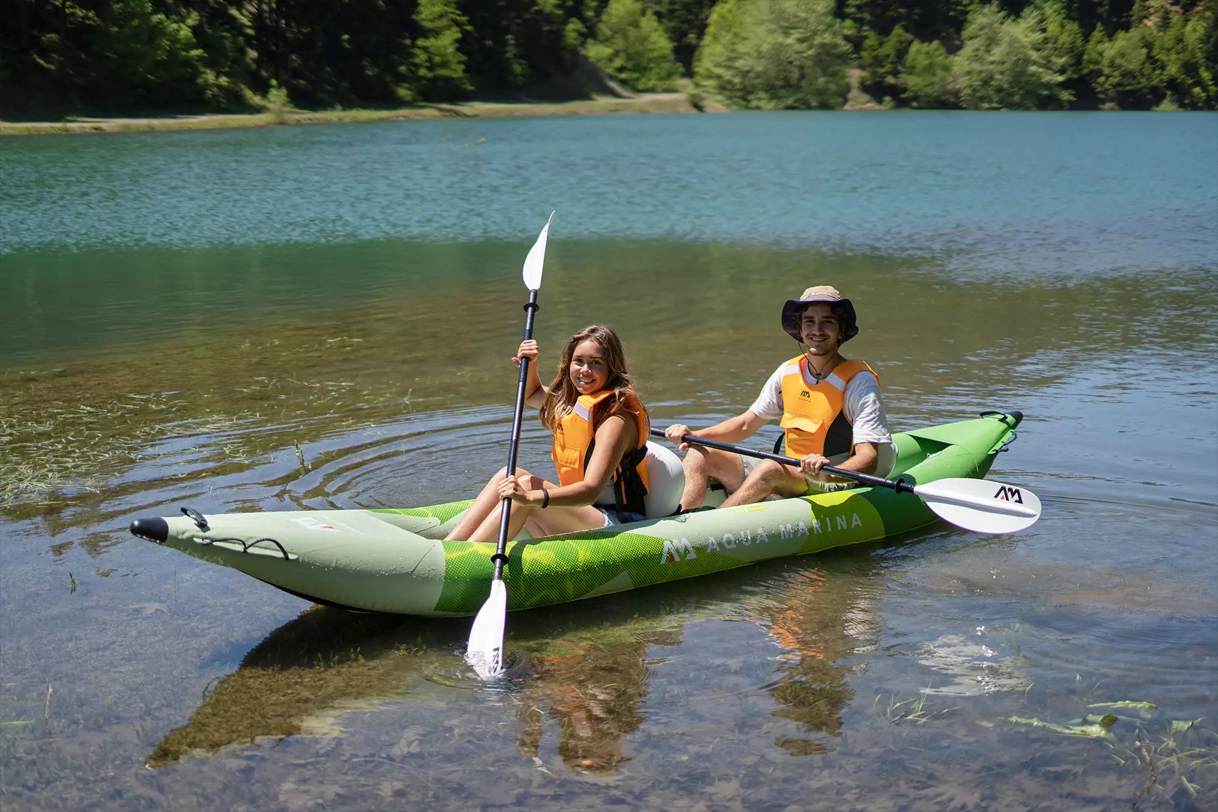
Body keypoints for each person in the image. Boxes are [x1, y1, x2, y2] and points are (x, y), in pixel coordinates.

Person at [664, 286, 893, 509]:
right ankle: (682, 520)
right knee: (699, 453)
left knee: (770, 468)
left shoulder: (859, 383)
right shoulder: (787, 371)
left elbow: (869, 458)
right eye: (810, 321)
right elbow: (744, 425)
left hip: (833, 480)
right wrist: (694, 436)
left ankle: (710, 531)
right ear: (800, 331)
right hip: (792, 473)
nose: (817, 329)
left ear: (840, 331)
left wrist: (828, 473)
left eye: (828, 322)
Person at [445, 324, 653, 543]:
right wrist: (531, 364)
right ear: (568, 363)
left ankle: (465, 558)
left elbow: (591, 490)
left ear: (612, 367)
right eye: (578, 361)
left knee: (525, 485)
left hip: (619, 523)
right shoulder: (578, 406)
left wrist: (530, 498)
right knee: (509, 473)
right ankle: (450, 547)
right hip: (585, 513)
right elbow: (533, 394)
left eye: (596, 363)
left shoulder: (615, 419)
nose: (585, 370)